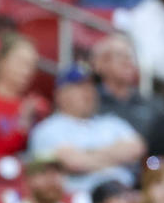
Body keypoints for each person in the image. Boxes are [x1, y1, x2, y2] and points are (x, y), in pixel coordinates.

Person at [27, 64, 145, 194]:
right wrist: (116, 158)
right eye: (80, 86)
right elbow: (74, 163)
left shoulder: (111, 123)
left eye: (91, 85)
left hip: (124, 194)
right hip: (80, 199)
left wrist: (86, 155)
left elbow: (137, 149)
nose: (88, 91)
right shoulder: (48, 129)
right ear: (60, 94)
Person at [90, 34, 163, 135]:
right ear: (99, 64)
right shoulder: (87, 102)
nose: (128, 62)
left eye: (131, 57)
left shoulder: (153, 104)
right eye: (119, 55)